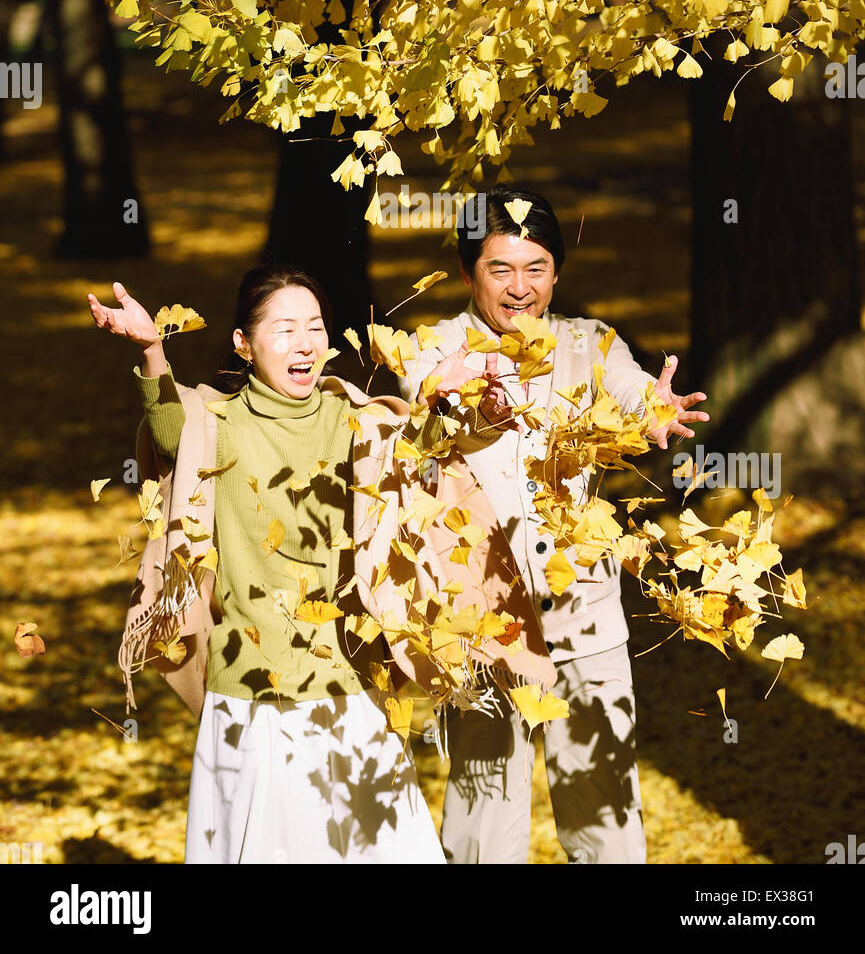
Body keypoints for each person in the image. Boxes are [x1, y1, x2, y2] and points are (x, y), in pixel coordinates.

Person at [87, 263, 532, 865]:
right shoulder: (216, 426)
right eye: (285, 328)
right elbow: (170, 426)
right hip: (252, 696)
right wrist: (151, 350)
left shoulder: (353, 420)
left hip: (346, 687)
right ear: (244, 344)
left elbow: (413, 467)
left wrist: (439, 401)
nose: (306, 342)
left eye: (316, 326)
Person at [397, 185, 710, 865]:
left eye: (535, 268)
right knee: (482, 826)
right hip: (478, 622)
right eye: (499, 269)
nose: (519, 288)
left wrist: (650, 412)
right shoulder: (433, 348)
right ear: (466, 273)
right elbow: (407, 435)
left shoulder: (589, 345)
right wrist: (441, 393)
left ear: (556, 274)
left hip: (586, 621)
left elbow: (631, 395)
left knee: (605, 821)